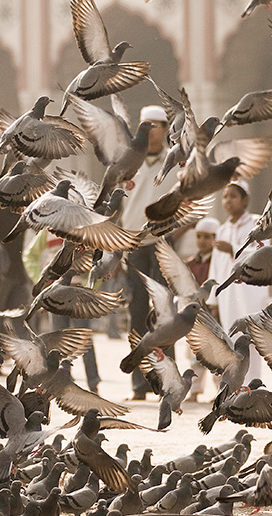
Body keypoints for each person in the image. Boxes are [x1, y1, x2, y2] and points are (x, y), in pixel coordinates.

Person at [121, 104, 176, 400]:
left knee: (167, 313)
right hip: (133, 245)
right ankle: (140, 384)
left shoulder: (176, 162)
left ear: (166, 129)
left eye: (157, 125)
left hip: (164, 244)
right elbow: (118, 206)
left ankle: (169, 379)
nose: (152, 132)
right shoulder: (130, 162)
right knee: (138, 311)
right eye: (147, 125)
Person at [22, 230, 100, 393]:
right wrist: (42, 281)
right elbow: (29, 256)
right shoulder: (49, 231)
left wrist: (90, 287)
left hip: (79, 293)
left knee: (83, 337)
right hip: (55, 293)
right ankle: (64, 380)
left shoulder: (87, 232)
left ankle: (93, 382)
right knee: (58, 338)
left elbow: (98, 262)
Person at [207, 181, 269, 383]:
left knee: (251, 340)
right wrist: (213, 299)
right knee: (231, 339)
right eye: (225, 197)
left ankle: (253, 384)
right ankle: (233, 386)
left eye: (233, 196)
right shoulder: (223, 230)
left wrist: (233, 249)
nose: (228, 201)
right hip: (227, 295)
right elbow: (215, 267)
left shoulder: (257, 224)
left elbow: (261, 253)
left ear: (245, 200)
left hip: (250, 292)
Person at [184, 217, 219, 402]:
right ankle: (195, 390)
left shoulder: (219, 262)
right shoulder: (190, 263)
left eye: (207, 237)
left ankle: (221, 391)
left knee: (217, 356)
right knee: (196, 354)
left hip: (214, 317)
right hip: (195, 317)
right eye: (199, 236)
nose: (202, 241)